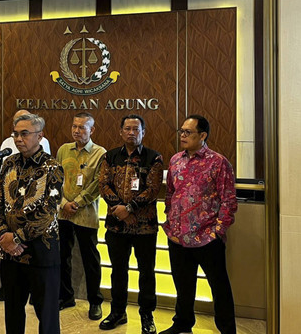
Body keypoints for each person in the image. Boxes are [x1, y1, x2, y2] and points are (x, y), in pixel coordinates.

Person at [160, 115, 238, 334]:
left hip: (207, 237)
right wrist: (170, 219)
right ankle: (183, 324)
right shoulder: (176, 160)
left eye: (188, 132)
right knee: (183, 285)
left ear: (202, 135)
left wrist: (218, 231)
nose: (183, 136)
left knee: (219, 287)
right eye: (181, 131)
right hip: (178, 236)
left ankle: (226, 329)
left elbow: (229, 200)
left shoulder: (218, 162)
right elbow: (171, 193)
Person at [0, 113, 64, 334]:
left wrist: (17, 238)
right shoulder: (9, 164)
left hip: (41, 251)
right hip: (10, 253)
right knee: (13, 310)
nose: (18, 139)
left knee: (47, 313)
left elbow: (48, 212)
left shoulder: (52, 167)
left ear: (40, 136)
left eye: (25, 134)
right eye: (16, 134)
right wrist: (5, 235)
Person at [98, 114, 163, 333]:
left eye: (136, 129)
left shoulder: (154, 158)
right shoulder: (110, 156)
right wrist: (119, 209)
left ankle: (147, 315)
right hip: (116, 226)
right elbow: (103, 185)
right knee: (118, 271)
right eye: (127, 128)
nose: (131, 133)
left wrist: (129, 209)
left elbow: (153, 189)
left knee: (146, 272)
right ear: (120, 131)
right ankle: (118, 312)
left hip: (144, 227)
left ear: (143, 132)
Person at [55, 112, 106, 320]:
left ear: (91, 130)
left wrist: (78, 202)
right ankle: (66, 296)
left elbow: (98, 184)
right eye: (74, 126)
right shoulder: (63, 150)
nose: (77, 130)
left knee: (90, 260)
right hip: (63, 213)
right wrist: (65, 203)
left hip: (86, 214)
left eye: (82, 127)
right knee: (61, 257)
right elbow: (56, 177)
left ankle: (95, 302)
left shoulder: (100, 153)